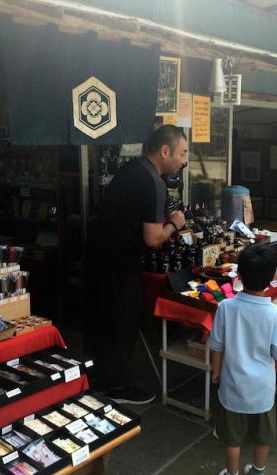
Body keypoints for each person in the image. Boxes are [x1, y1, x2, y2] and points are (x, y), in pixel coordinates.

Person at [97, 125, 187, 404]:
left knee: (109, 321)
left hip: (103, 256)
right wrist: (175, 223)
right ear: (164, 150)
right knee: (124, 321)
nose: (184, 161)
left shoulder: (131, 169)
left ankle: (103, 379)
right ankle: (119, 387)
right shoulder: (153, 181)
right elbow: (153, 238)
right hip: (121, 263)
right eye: (182, 153)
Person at [207, 245, 277, 475]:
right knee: (263, 436)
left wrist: (215, 374)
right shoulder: (274, 312)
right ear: (272, 277)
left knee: (232, 438)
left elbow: (217, 346)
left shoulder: (226, 308)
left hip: (232, 387)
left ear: (238, 275)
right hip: (263, 390)